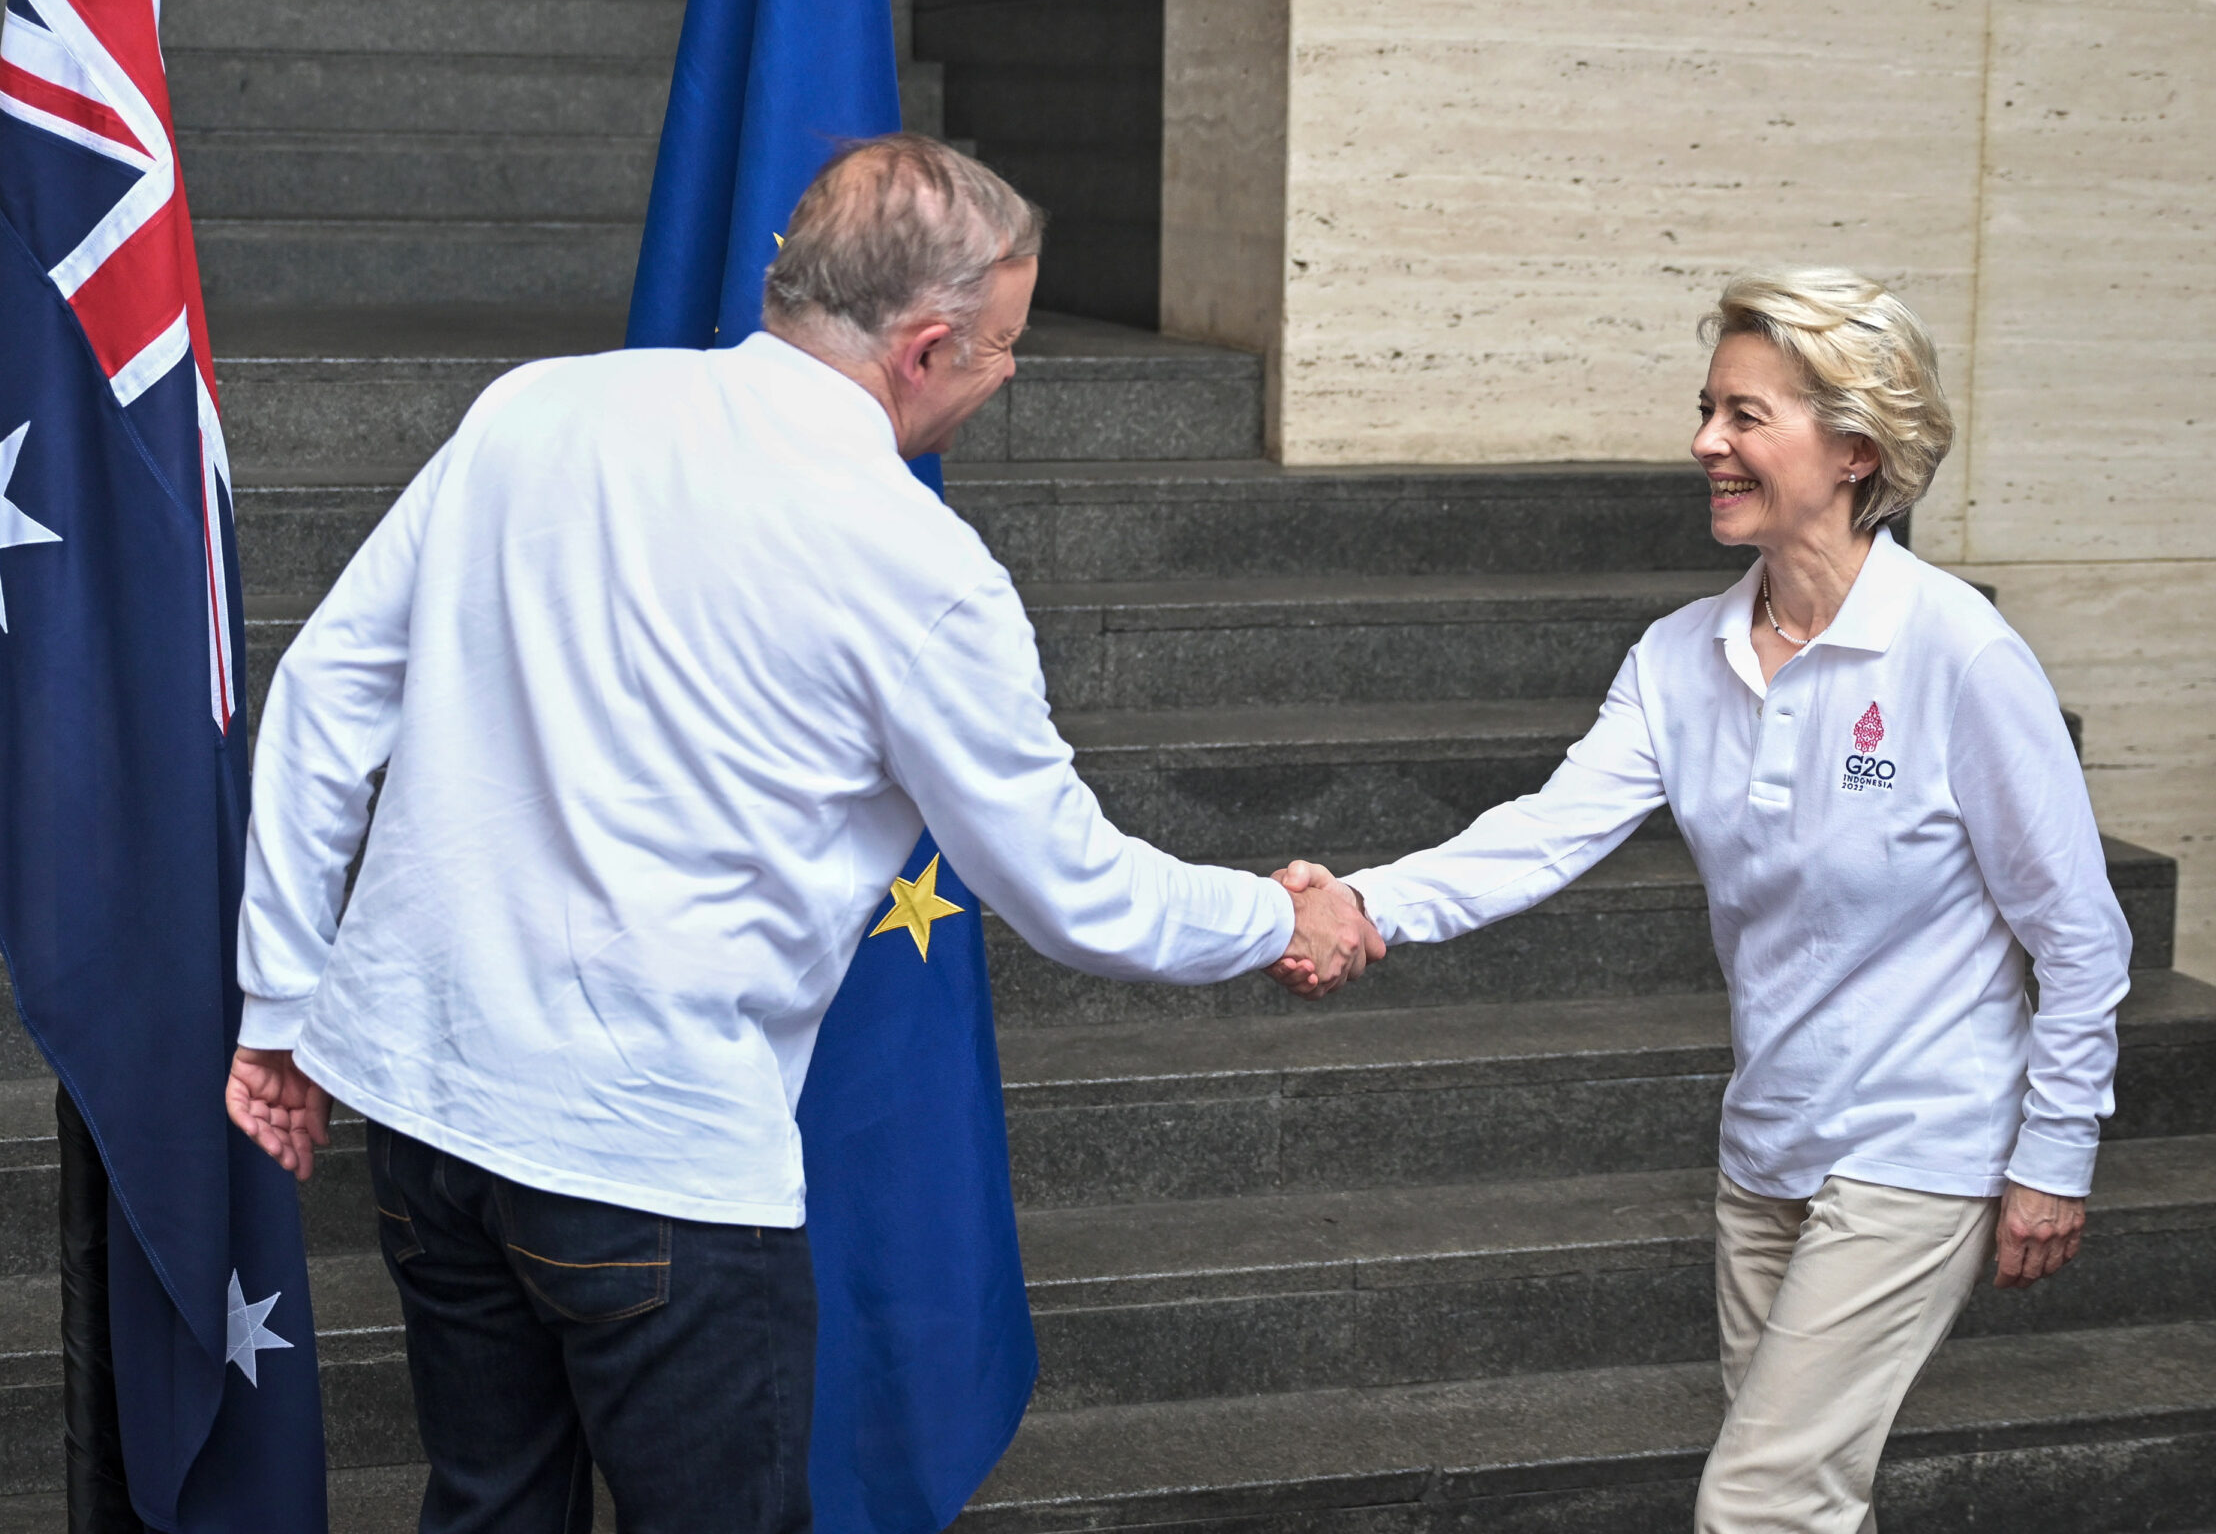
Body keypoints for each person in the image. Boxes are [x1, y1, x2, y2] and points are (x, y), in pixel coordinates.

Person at [222, 134, 1382, 1534]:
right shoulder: (921, 569)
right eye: (1004, 349)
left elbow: (327, 691)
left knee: (488, 1506)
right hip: (653, 1163)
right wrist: (1281, 915)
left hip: (429, 1116)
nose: (1007, 377)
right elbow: (1073, 892)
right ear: (926, 347)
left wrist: (280, 1004)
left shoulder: (535, 408)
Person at [1276, 268, 2129, 1533]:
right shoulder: (1680, 657)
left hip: (1922, 1144)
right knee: (1803, 1500)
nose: (1705, 444)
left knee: (1758, 1500)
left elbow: (2080, 934)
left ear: (1854, 449)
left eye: (1745, 416)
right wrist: (1361, 902)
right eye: (1707, 410)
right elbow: (1543, 834)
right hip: (1769, 1141)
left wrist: (2054, 1153)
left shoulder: (1961, 656)